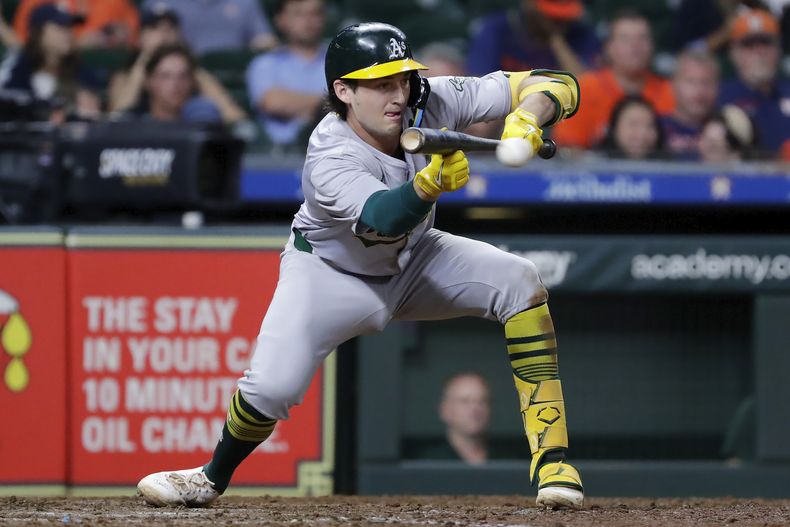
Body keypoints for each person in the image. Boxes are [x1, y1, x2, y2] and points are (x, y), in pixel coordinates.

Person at [136, 22, 584, 510]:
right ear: (342, 90)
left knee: (519, 282)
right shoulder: (328, 152)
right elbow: (379, 222)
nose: (398, 96)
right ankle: (210, 475)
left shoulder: (427, 97)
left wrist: (528, 117)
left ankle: (552, 462)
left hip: (415, 258)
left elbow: (558, 82)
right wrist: (427, 186)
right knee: (271, 387)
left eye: (402, 80)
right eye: (380, 84)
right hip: (330, 272)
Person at [551, 9, 674, 150]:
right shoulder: (583, 90)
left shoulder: (671, 92)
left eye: (642, 38)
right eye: (625, 39)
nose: (635, 46)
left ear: (652, 46)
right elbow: (568, 149)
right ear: (609, 47)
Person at [108, 4, 247, 124]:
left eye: (171, 27)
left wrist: (187, 63)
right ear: (141, 37)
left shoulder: (194, 72)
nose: (165, 33)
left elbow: (234, 116)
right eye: (155, 28)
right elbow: (115, 118)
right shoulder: (125, 75)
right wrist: (145, 60)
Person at [0, 4, 102, 121]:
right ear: (39, 32)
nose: (68, 33)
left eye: (69, 27)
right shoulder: (19, 67)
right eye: (60, 27)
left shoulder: (80, 71)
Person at [246, 0, 326, 148]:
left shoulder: (336, 60)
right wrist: (327, 103)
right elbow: (273, 102)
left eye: (315, 13)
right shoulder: (265, 63)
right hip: (279, 154)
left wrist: (298, 105)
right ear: (281, 20)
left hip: (333, 149)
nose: (308, 20)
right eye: (298, 14)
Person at [718, 8, 790, 158]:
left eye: (766, 43)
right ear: (733, 52)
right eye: (748, 44)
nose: (759, 51)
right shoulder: (718, 98)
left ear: (779, 48)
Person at [466, 0, 600, 77]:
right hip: (503, 115)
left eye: (563, 17)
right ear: (529, 4)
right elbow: (478, 88)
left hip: (559, 116)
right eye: (551, 16)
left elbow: (584, 89)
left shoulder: (581, 35)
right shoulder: (496, 29)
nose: (559, 21)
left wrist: (556, 39)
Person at [123, 42, 221, 123]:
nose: (176, 83)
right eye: (165, 76)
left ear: (193, 81)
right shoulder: (133, 124)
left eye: (183, 76)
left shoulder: (202, 121)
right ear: (148, 81)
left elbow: (233, 120)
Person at [140, 0, 277, 55]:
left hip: (230, 76)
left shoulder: (245, 3)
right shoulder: (159, 2)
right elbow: (144, 42)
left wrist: (261, 46)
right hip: (177, 75)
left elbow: (266, 41)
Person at [660, 49, 720, 160]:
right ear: (673, 86)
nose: (699, 91)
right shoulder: (655, 128)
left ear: (717, 88)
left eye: (706, 82)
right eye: (690, 82)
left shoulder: (730, 131)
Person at [13, 0, 139, 48]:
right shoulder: (38, 3)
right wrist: (76, 44)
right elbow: (22, 46)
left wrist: (118, 37)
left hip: (101, 74)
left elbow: (133, 40)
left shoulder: (116, 3)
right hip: (53, 71)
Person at [438, 373, 492, 465]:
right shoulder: (426, 463)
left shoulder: (510, 461)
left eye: (482, 401)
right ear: (445, 409)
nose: (475, 409)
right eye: (465, 401)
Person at [598, 95, 664, 160]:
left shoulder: (667, 166)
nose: (642, 134)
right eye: (633, 124)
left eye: (649, 126)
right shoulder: (594, 163)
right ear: (614, 128)